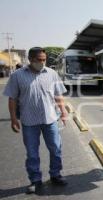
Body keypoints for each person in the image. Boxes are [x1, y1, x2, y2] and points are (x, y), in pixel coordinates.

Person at [3, 47, 68, 194]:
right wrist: (13, 119)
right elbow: (12, 98)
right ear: (30, 59)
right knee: (32, 153)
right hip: (29, 121)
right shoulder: (17, 76)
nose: (42, 62)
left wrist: (63, 112)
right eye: (39, 60)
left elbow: (58, 95)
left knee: (56, 149)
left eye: (44, 59)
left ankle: (55, 175)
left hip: (50, 119)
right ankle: (35, 180)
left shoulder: (51, 74)